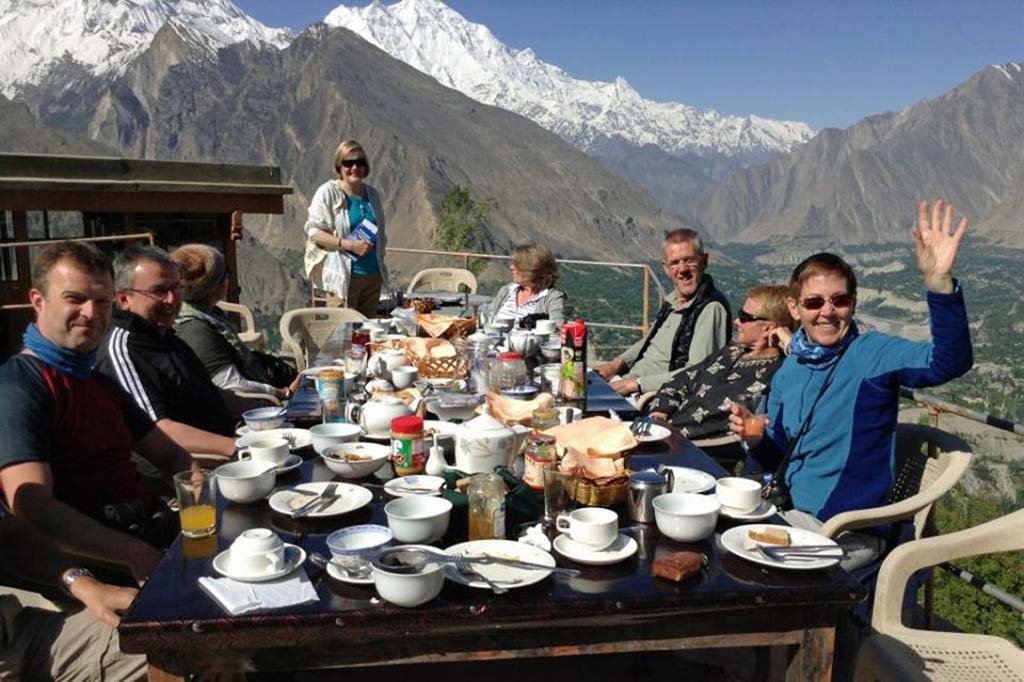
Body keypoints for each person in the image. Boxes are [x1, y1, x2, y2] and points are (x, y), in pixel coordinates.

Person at [730, 200, 973, 570]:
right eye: (814, 302)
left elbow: (949, 362)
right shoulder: (788, 370)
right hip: (791, 516)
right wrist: (757, 438)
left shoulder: (871, 355)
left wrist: (939, 282)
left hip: (845, 530)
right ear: (795, 309)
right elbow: (777, 456)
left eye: (839, 300)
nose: (827, 311)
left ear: (853, 304)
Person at [0, 241, 194, 575]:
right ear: (38, 302)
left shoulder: (98, 383)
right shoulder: (20, 384)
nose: (91, 313)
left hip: (157, 532)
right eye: (75, 299)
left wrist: (198, 494)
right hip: (106, 567)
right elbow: (31, 506)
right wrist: (133, 553)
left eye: (102, 301)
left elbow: (171, 456)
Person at [94, 245, 240, 459]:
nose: (171, 300)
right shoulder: (122, 350)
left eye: (176, 288)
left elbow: (208, 393)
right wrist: (237, 447)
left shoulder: (164, 336)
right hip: (197, 470)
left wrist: (271, 407)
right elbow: (157, 429)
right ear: (124, 299)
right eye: (159, 291)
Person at [1, 513, 145, 680]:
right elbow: (34, 506)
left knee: (165, 629)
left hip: (23, 635)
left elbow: (10, 536)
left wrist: (84, 585)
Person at [646, 285, 795, 440]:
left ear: (768, 328)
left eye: (745, 317)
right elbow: (683, 379)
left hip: (690, 449)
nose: (737, 321)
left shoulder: (776, 374)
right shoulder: (733, 351)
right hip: (660, 432)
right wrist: (660, 411)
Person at [597, 228, 731, 395]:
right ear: (666, 268)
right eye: (674, 263)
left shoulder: (710, 309)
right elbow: (648, 341)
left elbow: (697, 373)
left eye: (689, 260)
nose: (682, 270)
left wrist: (635, 384)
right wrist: (616, 364)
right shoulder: (673, 300)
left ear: (704, 261)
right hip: (628, 382)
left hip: (654, 397)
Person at [170, 244, 301, 402]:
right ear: (214, 286)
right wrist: (283, 393)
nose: (228, 279)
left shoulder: (209, 313)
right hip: (254, 407)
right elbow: (233, 385)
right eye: (225, 274)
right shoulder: (196, 330)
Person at [303, 138, 390, 318]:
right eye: (348, 163)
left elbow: (380, 232)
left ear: (365, 166)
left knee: (366, 334)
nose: (354, 168)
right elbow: (314, 232)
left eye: (359, 162)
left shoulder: (372, 195)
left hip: (372, 277)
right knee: (341, 337)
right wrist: (348, 245)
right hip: (343, 279)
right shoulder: (328, 192)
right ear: (339, 167)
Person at [489, 244, 567, 327]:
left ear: (532, 269)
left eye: (517, 265)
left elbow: (558, 327)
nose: (511, 267)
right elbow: (488, 317)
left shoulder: (552, 297)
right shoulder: (507, 290)